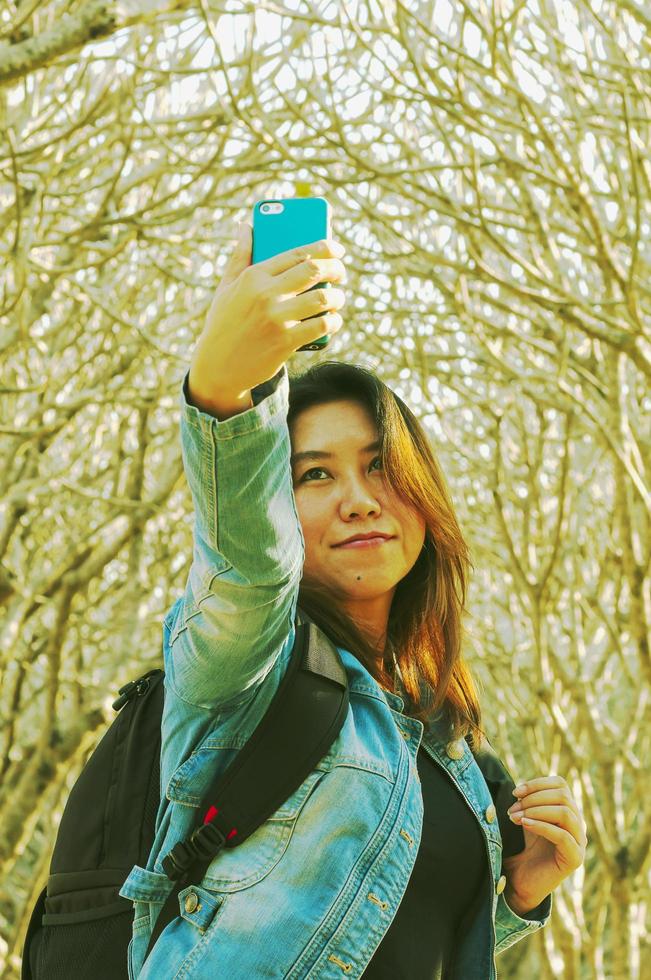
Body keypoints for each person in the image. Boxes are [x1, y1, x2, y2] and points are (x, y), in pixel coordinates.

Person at [119, 222, 586, 978]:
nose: (360, 501)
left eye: (379, 467)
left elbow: (362, 938)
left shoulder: (439, 729)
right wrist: (224, 389)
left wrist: (517, 894)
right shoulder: (245, 661)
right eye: (314, 475)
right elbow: (247, 560)